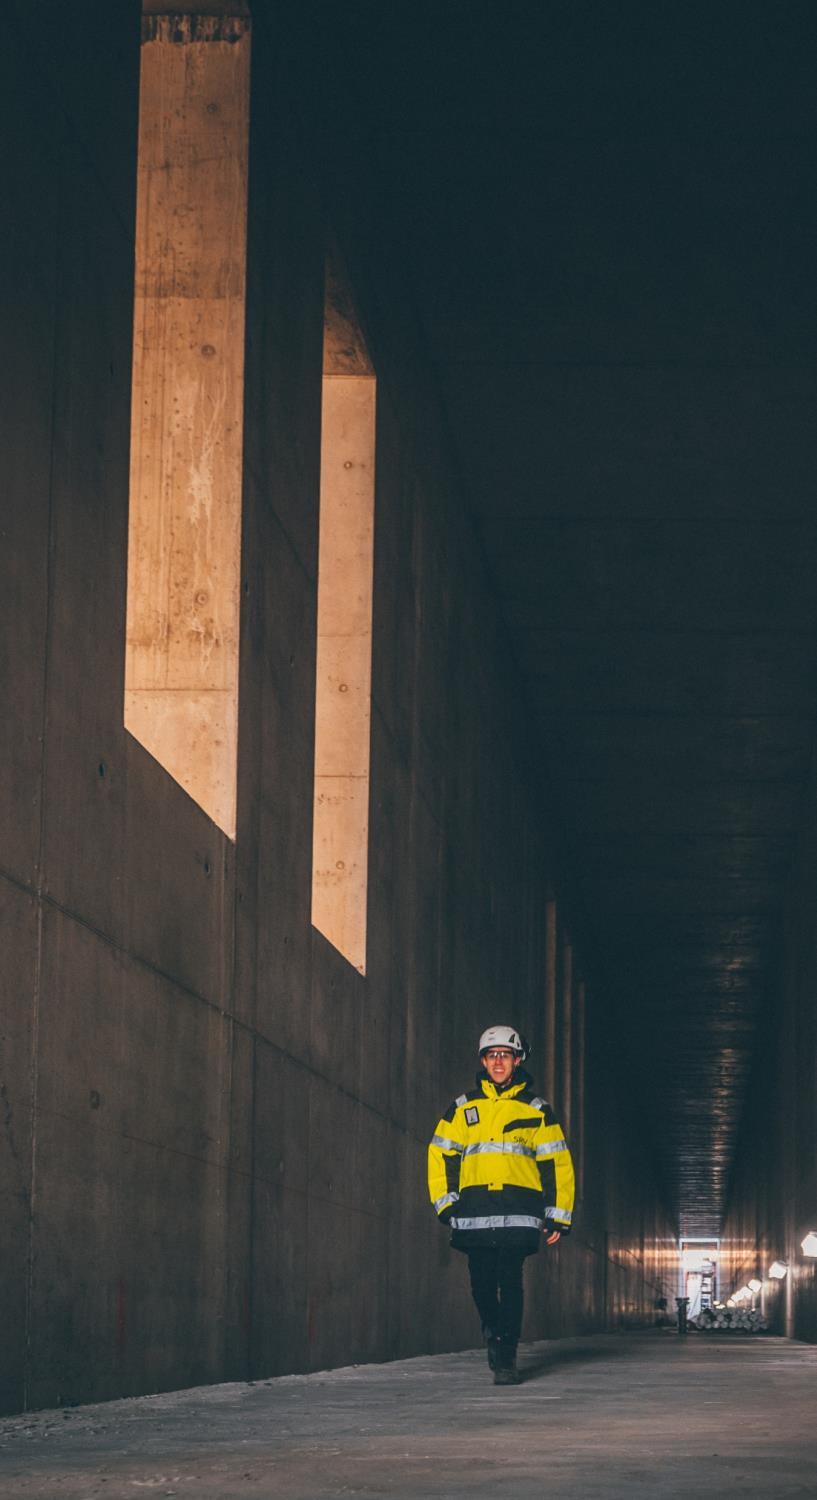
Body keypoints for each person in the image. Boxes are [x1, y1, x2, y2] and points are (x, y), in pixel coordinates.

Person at [428, 1025, 575, 1385]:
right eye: (492, 1055)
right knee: (480, 1283)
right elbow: (440, 1154)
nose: (498, 1061)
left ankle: (506, 1355)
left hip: (519, 1211)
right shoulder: (464, 1109)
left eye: (505, 1055)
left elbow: (557, 1163)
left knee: (510, 1281)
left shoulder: (537, 1110)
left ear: (517, 1060)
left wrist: (558, 1215)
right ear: (483, 1060)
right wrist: (446, 1204)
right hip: (476, 1212)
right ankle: (493, 1334)